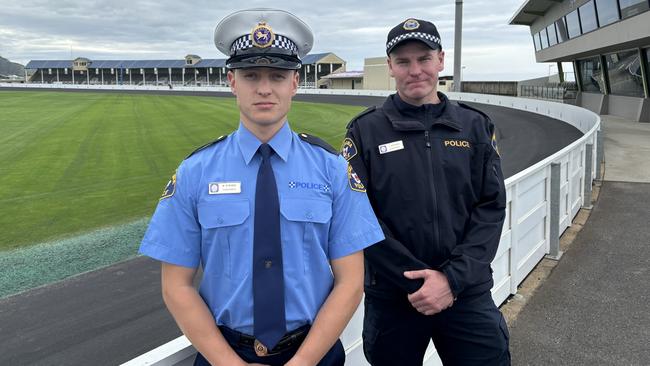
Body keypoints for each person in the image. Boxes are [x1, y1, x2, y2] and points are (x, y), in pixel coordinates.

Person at [139, 8, 384, 366]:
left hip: (313, 353)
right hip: (225, 353)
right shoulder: (195, 172)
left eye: (277, 75)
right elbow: (176, 285)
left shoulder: (332, 169)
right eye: (251, 75)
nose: (265, 88)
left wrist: (301, 363)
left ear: (295, 82)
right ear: (232, 81)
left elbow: (351, 281)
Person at [343, 18, 510, 365]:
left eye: (424, 58)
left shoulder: (475, 125)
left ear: (441, 60)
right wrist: (417, 281)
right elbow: (358, 215)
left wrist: (451, 279)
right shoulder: (365, 130)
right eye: (403, 61)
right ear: (390, 67)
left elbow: (490, 208)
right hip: (394, 296)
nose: (415, 70)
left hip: (466, 292)